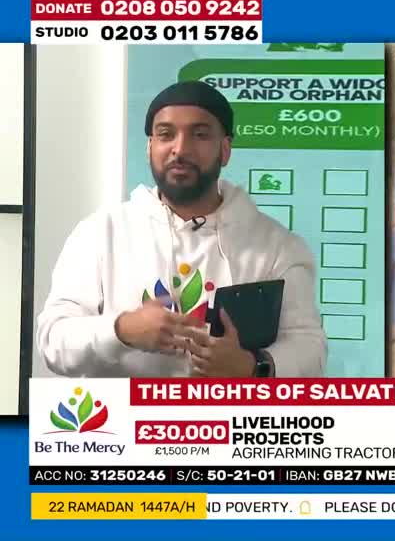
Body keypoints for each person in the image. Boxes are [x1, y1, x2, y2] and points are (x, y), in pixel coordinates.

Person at [37, 81, 327, 378]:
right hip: (122, 420)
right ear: (150, 147)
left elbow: (310, 347)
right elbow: (53, 341)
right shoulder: (99, 233)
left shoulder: (277, 245)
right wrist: (121, 329)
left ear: (224, 150)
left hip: (227, 423)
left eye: (200, 135)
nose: (180, 148)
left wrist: (253, 367)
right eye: (166, 135)